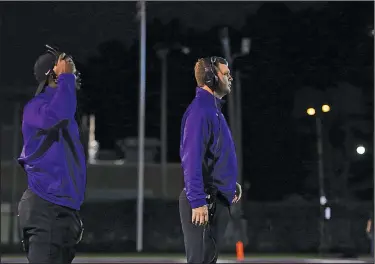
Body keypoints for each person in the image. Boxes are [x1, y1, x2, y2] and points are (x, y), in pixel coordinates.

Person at [17, 49, 86, 263]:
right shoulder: (36, 107)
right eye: (67, 68)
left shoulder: (64, 107)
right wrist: (65, 78)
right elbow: (58, 114)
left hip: (62, 211)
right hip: (46, 208)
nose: (73, 73)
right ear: (53, 75)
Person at [179, 56, 242, 264]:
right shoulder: (201, 111)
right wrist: (197, 200)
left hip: (213, 198)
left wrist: (230, 184)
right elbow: (192, 159)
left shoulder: (214, 110)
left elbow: (214, 156)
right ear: (211, 77)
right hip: (204, 200)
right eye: (225, 73)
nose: (230, 77)